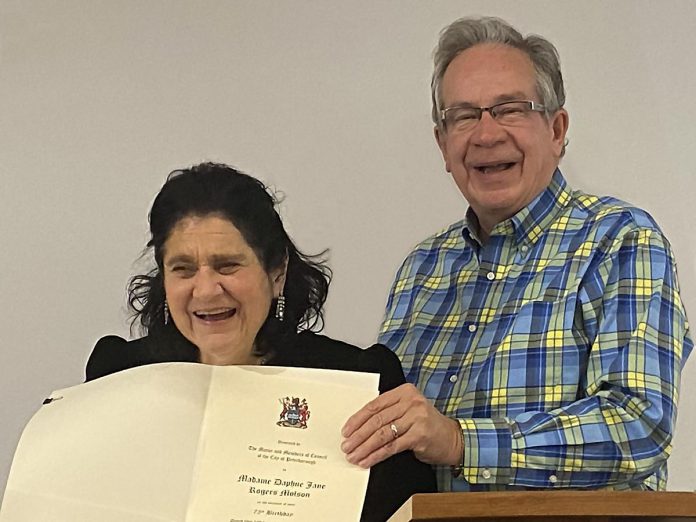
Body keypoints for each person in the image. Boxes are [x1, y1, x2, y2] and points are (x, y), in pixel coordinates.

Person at [341, 16, 693, 492]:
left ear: (556, 129)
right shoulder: (421, 269)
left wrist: (460, 440)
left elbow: (637, 428)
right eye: (463, 116)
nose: (486, 134)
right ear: (443, 145)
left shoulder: (620, 240)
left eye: (509, 109)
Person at [86, 162, 436, 521]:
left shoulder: (361, 381)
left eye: (227, 266)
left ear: (277, 273)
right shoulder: (117, 376)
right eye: (183, 268)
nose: (205, 290)